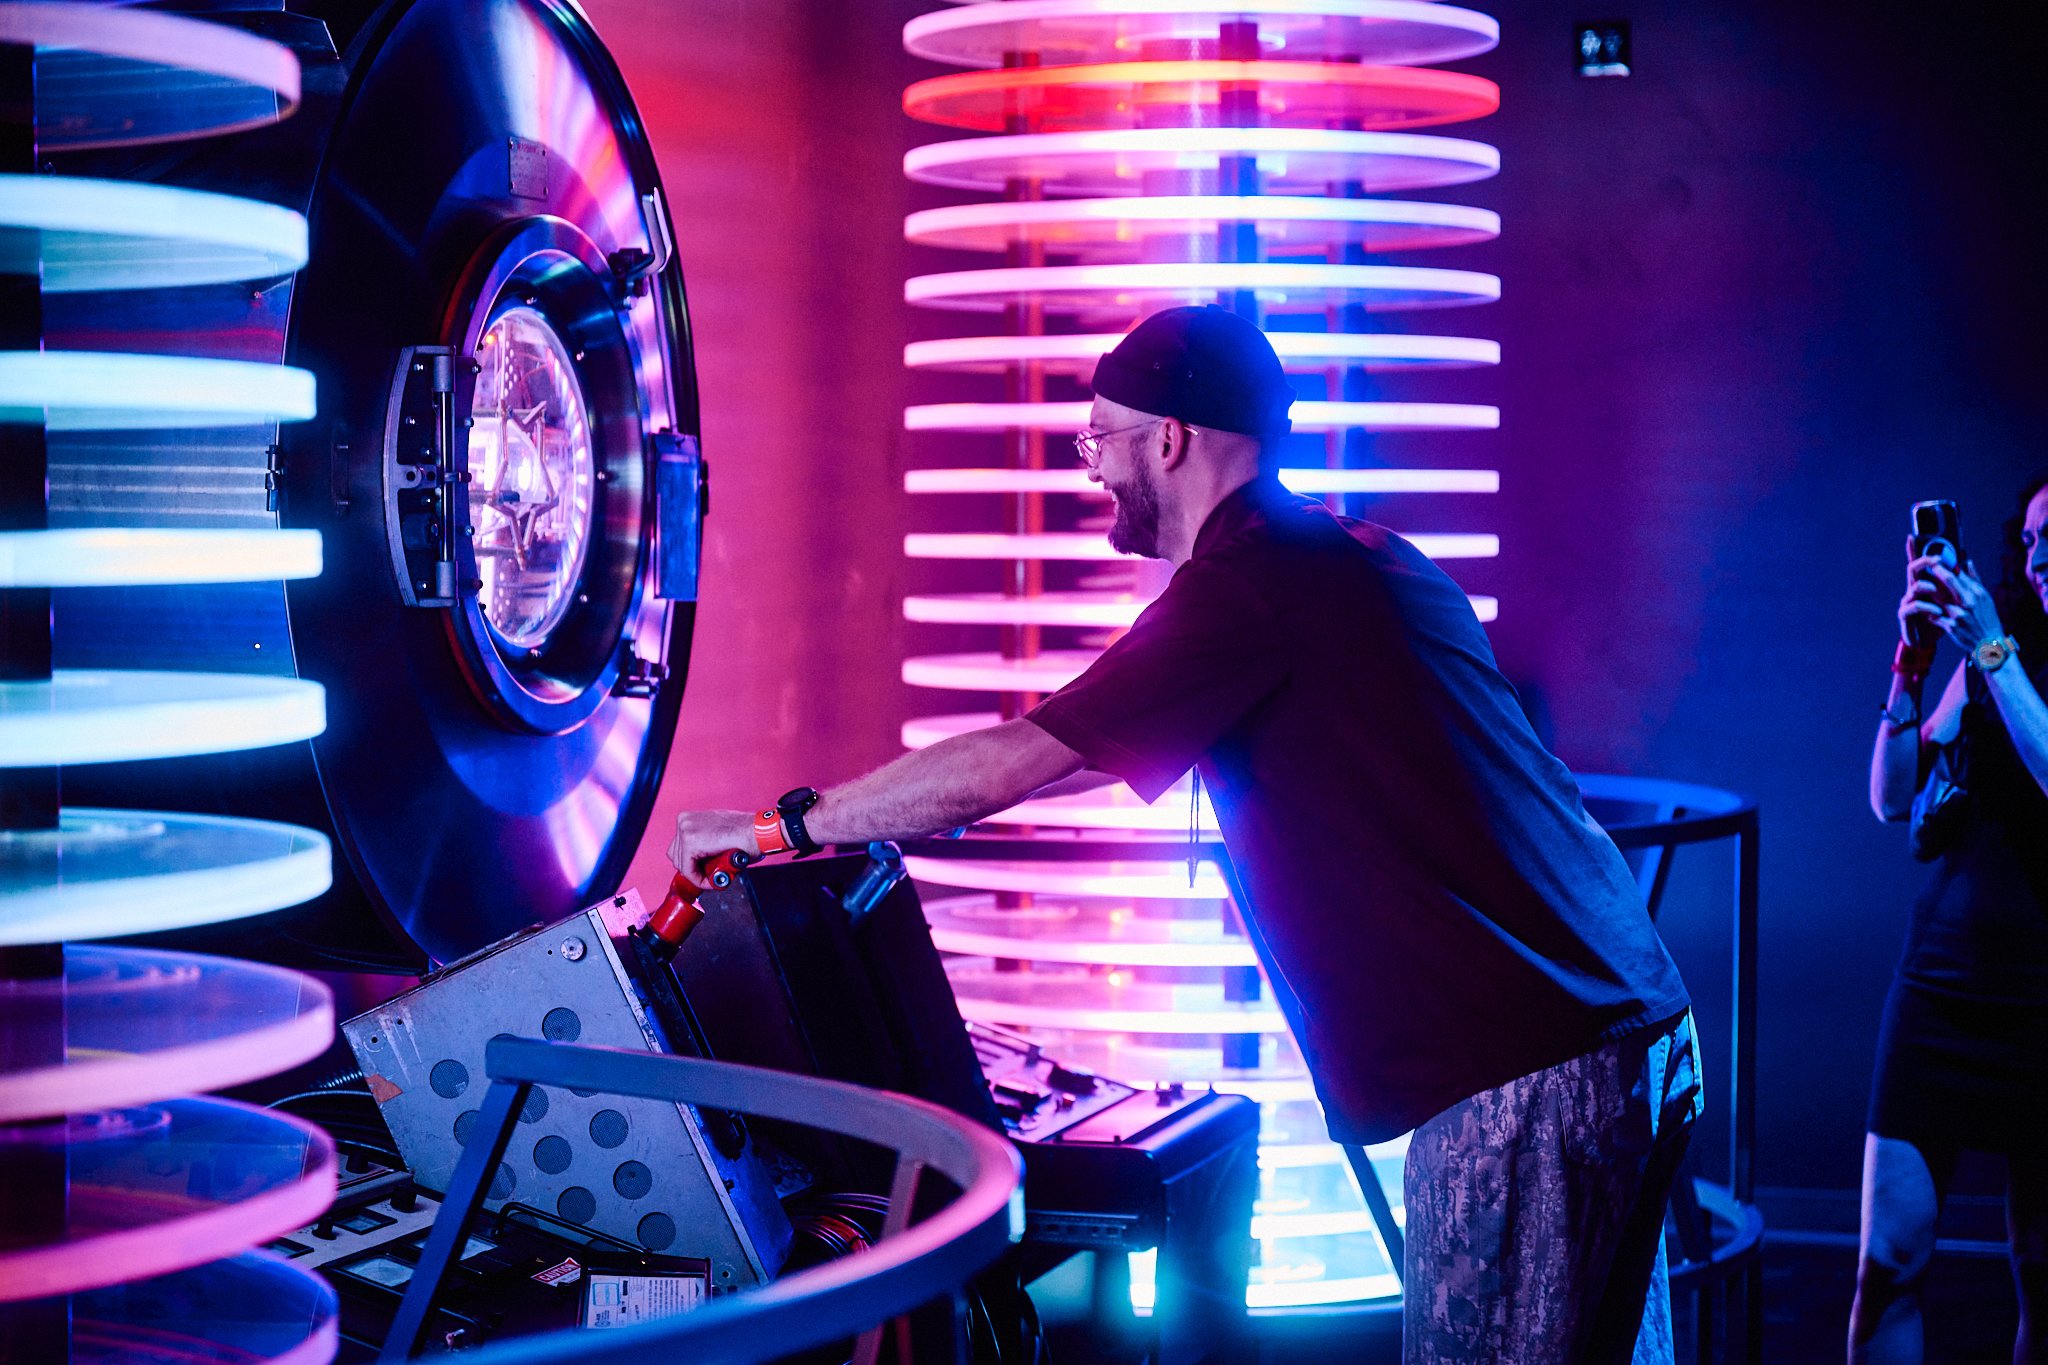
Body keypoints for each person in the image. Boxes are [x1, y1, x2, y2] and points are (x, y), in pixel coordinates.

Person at [669, 305, 1700, 1364]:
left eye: (1098, 440)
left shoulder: (1245, 589)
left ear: (1166, 439)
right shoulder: (1347, 554)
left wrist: (779, 825)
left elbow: (1021, 761)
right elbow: (1075, 754)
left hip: (1522, 1069)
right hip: (1620, 1028)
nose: (1090, 470)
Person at [1855, 476, 2048, 1364]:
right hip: (1939, 988)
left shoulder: (2001, 651)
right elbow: (1891, 797)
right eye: (2035, 536)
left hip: (2044, 1007)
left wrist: (1994, 651)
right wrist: (1913, 657)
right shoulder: (1994, 651)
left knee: (2046, 1278)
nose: (2042, 552)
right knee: (1888, 1263)